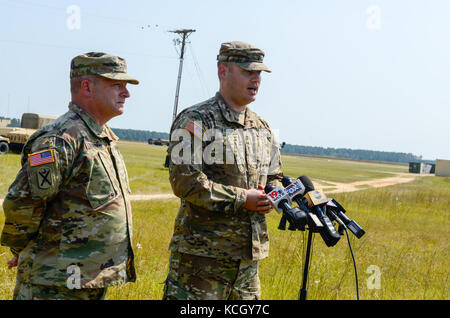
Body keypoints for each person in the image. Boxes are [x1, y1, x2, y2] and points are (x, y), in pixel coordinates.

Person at [1, 52, 139, 300]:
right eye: (116, 85)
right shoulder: (61, 138)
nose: (126, 93)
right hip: (55, 284)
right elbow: (22, 202)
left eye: (126, 86)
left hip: (86, 280)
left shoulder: (100, 136)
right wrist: (21, 247)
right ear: (87, 87)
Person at [163, 41, 283, 300]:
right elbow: (185, 182)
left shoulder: (262, 128)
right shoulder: (195, 120)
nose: (255, 79)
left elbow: (274, 176)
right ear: (223, 71)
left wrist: (275, 194)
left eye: (259, 73)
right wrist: (244, 200)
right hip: (202, 261)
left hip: (248, 264)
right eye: (247, 72)